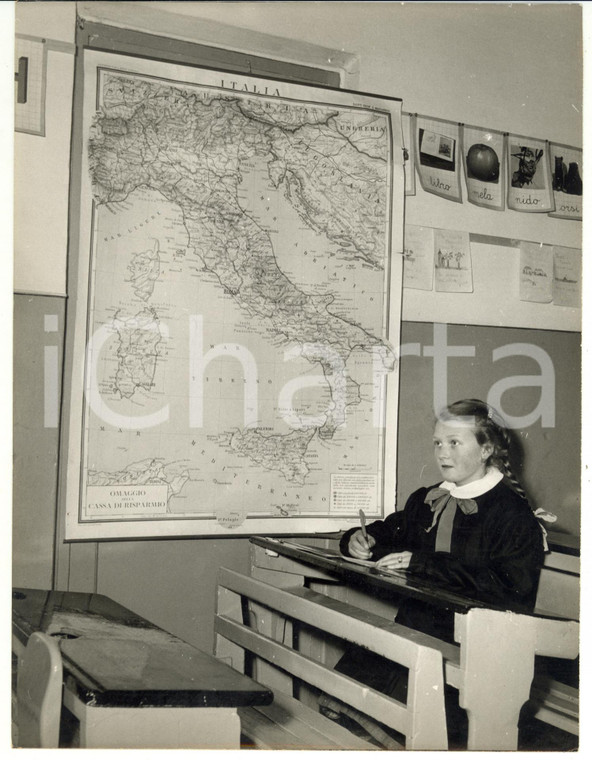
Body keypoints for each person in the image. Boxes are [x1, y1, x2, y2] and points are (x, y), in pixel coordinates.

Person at [319, 398, 548, 748]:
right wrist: (357, 540)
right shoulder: (429, 499)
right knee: (349, 711)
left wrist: (422, 563)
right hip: (423, 629)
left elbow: (510, 587)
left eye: (455, 443)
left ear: (486, 449)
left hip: (483, 648)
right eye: (438, 443)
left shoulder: (512, 514)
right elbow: (386, 532)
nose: (443, 453)